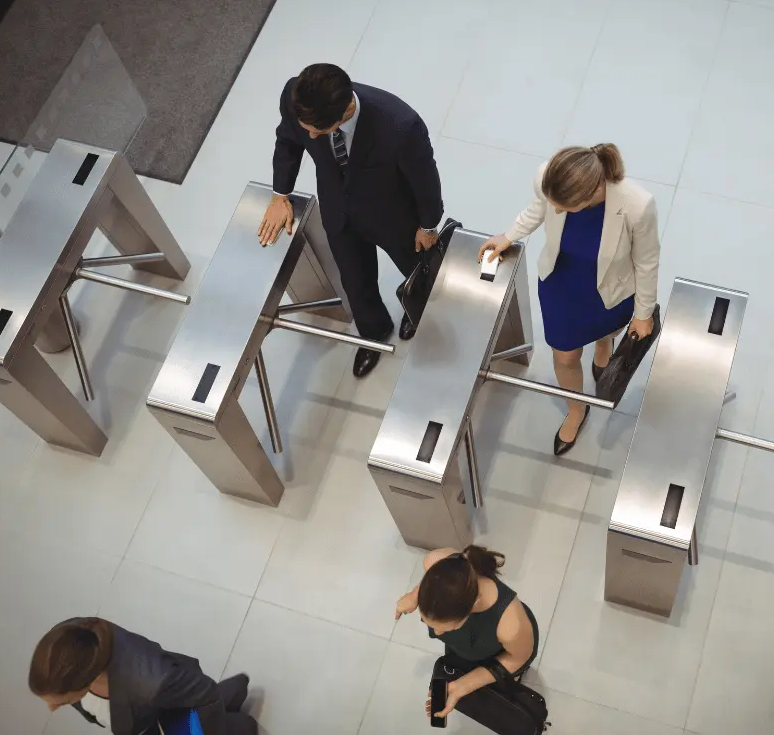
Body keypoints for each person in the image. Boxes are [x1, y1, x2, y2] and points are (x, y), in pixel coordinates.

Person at [259, 63, 444, 378]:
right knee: (355, 283)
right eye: (307, 127)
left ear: (345, 111)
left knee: (419, 274)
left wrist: (428, 226)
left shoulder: (399, 124)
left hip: (394, 215)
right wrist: (280, 194)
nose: (311, 135)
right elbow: (288, 140)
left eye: (319, 131)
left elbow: (425, 180)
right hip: (339, 211)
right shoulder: (297, 98)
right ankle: (374, 333)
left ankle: (417, 312)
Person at [478, 144, 660, 455]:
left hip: (609, 293)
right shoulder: (548, 176)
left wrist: (643, 314)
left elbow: (646, 261)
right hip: (561, 283)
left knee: (607, 335)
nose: (557, 211)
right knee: (564, 357)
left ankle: (604, 346)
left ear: (589, 196)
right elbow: (540, 205)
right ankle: (577, 409)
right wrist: (509, 235)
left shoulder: (636, 205)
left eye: (564, 207)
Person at [28, 617, 257, 735]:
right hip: (155, 711)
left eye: (64, 702)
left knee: (221, 719)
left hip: (177, 709)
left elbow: (206, 693)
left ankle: (241, 726)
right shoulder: (69, 641)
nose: (51, 710)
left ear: (89, 678)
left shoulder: (152, 682)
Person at [395, 545, 538, 722]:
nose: (437, 633)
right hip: (469, 646)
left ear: (472, 606)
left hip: (504, 651)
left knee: (505, 681)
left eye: (449, 628)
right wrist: (414, 595)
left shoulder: (511, 627)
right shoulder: (435, 561)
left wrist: (464, 685)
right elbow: (434, 579)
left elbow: (518, 658)